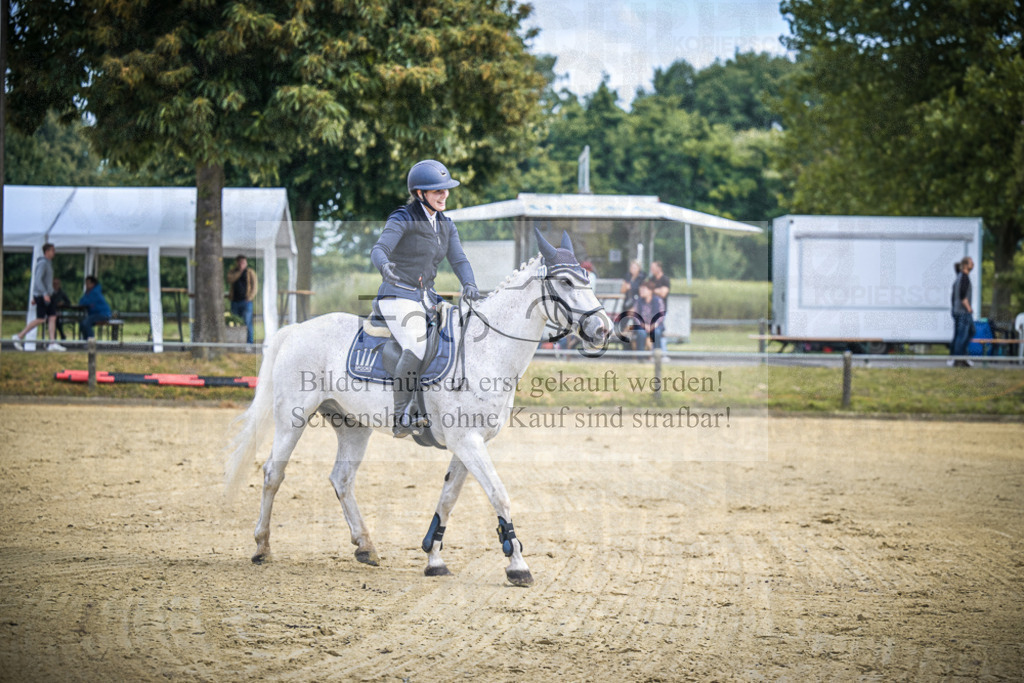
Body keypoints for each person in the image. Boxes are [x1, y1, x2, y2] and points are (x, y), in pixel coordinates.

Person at [370, 159, 482, 437]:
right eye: (437, 191)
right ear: (420, 193)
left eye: (446, 190)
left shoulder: (446, 225)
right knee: (417, 344)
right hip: (397, 294)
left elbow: (459, 259)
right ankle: (400, 417)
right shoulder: (403, 218)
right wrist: (384, 266)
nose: (444, 195)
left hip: (426, 297)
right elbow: (379, 249)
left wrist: (469, 283)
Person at [12, 243, 65, 351]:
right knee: (40, 319)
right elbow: (38, 279)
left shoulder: (48, 263)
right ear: (47, 251)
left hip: (49, 295)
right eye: (52, 250)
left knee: (53, 317)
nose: (54, 253)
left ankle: (52, 343)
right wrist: (43, 293)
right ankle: (19, 336)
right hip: (43, 295)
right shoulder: (43, 263)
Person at [227, 255, 258, 344]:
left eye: (244, 262)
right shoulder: (233, 272)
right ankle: (237, 342)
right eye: (240, 263)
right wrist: (239, 272)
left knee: (247, 322)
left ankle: (249, 343)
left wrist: (250, 297)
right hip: (235, 301)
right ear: (237, 263)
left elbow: (255, 286)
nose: (242, 264)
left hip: (246, 302)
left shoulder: (250, 272)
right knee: (235, 323)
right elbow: (230, 279)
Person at [950, 256, 975, 366]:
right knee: (963, 336)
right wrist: (969, 308)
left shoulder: (959, 277)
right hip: (963, 311)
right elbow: (962, 296)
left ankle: (961, 357)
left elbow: (953, 296)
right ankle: (958, 359)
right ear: (965, 265)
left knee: (967, 332)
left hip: (957, 310)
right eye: (971, 263)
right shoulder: (964, 277)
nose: (973, 265)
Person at [630, 280, 666, 355]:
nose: (641, 291)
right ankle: (641, 356)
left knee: (656, 332)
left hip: (656, 325)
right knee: (641, 333)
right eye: (640, 289)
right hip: (642, 326)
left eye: (643, 290)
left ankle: (657, 355)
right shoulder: (638, 301)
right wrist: (644, 325)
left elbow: (661, 314)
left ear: (650, 291)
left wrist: (654, 325)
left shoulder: (658, 301)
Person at [78, 276, 112, 340]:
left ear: (93, 284)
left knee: (86, 322)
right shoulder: (89, 292)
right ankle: (85, 341)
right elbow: (81, 302)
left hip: (103, 314)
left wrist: (86, 295)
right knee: (82, 323)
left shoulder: (95, 292)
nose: (86, 285)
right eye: (86, 283)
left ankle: (91, 341)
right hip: (95, 315)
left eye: (88, 283)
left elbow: (86, 302)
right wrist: (86, 294)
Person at [648, 261, 671, 354]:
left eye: (653, 268)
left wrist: (653, 290)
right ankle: (653, 351)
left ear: (659, 268)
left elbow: (663, 293)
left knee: (660, 330)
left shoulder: (665, 279)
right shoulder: (651, 279)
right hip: (651, 310)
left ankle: (663, 352)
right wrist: (658, 290)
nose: (651, 270)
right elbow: (648, 290)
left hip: (662, 310)